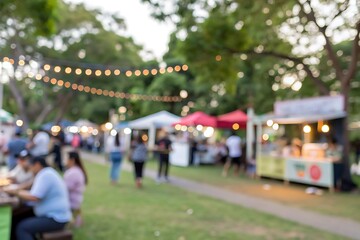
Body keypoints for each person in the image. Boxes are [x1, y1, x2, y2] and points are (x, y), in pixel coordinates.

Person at [4, 156, 72, 240]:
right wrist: (16, 189)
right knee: (17, 219)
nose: (30, 169)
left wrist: (15, 192)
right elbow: (29, 185)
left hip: (55, 218)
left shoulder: (45, 174)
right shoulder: (47, 173)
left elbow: (34, 197)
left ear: (37, 165)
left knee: (22, 228)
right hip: (53, 216)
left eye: (31, 166)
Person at [64, 151, 88, 227]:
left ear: (72, 160)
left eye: (65, 158)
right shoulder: (77, 170)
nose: (64, 161)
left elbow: (65, 188)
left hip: (72, 200)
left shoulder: (73, 172)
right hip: (76, 199)